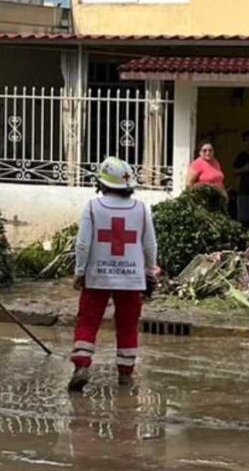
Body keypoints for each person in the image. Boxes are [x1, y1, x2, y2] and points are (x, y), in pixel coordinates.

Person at [69, 157, 158, 392]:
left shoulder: (92, 206)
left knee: (88, 320)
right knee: (128, 324)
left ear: (102, 183)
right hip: (132, 279)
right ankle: (126, 375)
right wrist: (150, 272)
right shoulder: (141, 209)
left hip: (97, 275)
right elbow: (149, 245)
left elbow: (83, 244)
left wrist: (80, 272)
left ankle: (81, 365)